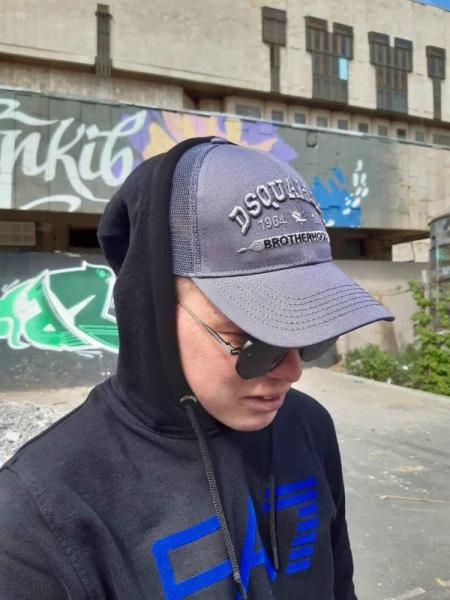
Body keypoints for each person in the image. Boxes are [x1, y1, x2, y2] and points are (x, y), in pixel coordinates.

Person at [0, 136, 394, 599]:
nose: (292, 371)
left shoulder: (308, 427)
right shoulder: (39, 516)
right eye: (252, 340)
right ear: (151, 310)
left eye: (309, 332)